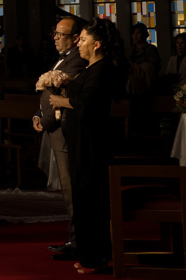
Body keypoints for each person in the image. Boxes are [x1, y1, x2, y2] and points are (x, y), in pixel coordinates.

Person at [49, 18, 128, 274]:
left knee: (92, 200)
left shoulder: (102, 68)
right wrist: (67, 84)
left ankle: (96, 258)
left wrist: (62, 101)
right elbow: (82, 90)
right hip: (81, 143)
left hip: (92, 145)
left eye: (82, 40)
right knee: (83, 197)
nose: (78, 44)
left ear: (97, 44)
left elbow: (88, 101)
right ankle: (90, 255)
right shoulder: (91, 68)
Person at [33, 12, 88, 261]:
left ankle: (80, 241)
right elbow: (48, 92)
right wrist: (37, 115)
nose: (54, 38)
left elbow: (61, 94)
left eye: (59, 34)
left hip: (65, 130)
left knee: (70, 186)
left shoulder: (76, 60)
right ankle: (75, 238)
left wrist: (44, 122)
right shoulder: (61, 58)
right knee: (67, 188)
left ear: (75, 38)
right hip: (54, 128)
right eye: (54, 33)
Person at [126, 22, 160, 96]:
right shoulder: (130, 50)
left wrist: (138, 68)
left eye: (138, 33)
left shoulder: (151, 49)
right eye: (133, 33)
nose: (135, 36)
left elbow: (154, 66)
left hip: (145, 81)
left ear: (144, 34)